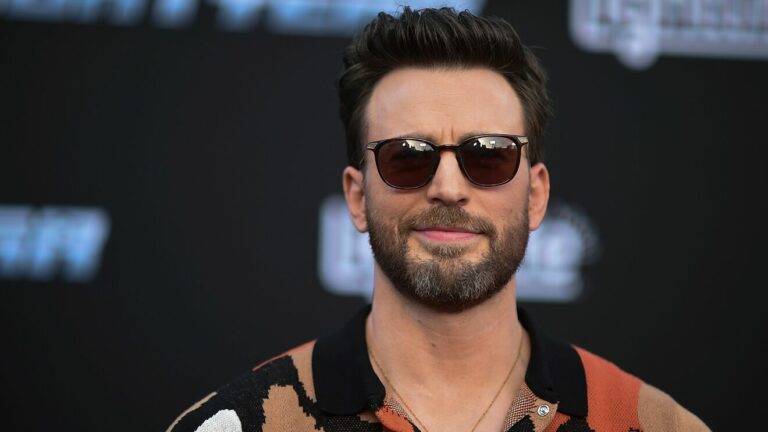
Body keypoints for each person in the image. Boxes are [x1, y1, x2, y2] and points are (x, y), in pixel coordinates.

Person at [167, 7, 709, 432]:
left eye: (489, 155)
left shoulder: (653, 424)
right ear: (357, 197)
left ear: (536, 195)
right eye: (407, 157)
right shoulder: (241, 423)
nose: (448, 188)